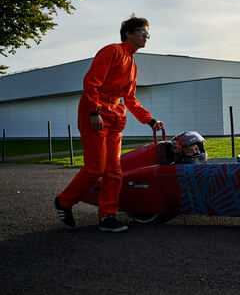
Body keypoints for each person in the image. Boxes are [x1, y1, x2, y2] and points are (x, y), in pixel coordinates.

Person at [54, 15, 164, 233]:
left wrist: (149, 120)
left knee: (114, 170)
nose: (146, 37)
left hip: (115, 115)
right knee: (95, 168)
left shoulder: (132, 64)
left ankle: (107, 216)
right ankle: (64, 202)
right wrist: (94, 112)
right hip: (96, 112)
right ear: (128, 34)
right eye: (142, 32)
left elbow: (130, 99)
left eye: (148, 33)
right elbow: (91, 82)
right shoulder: (112, 51)